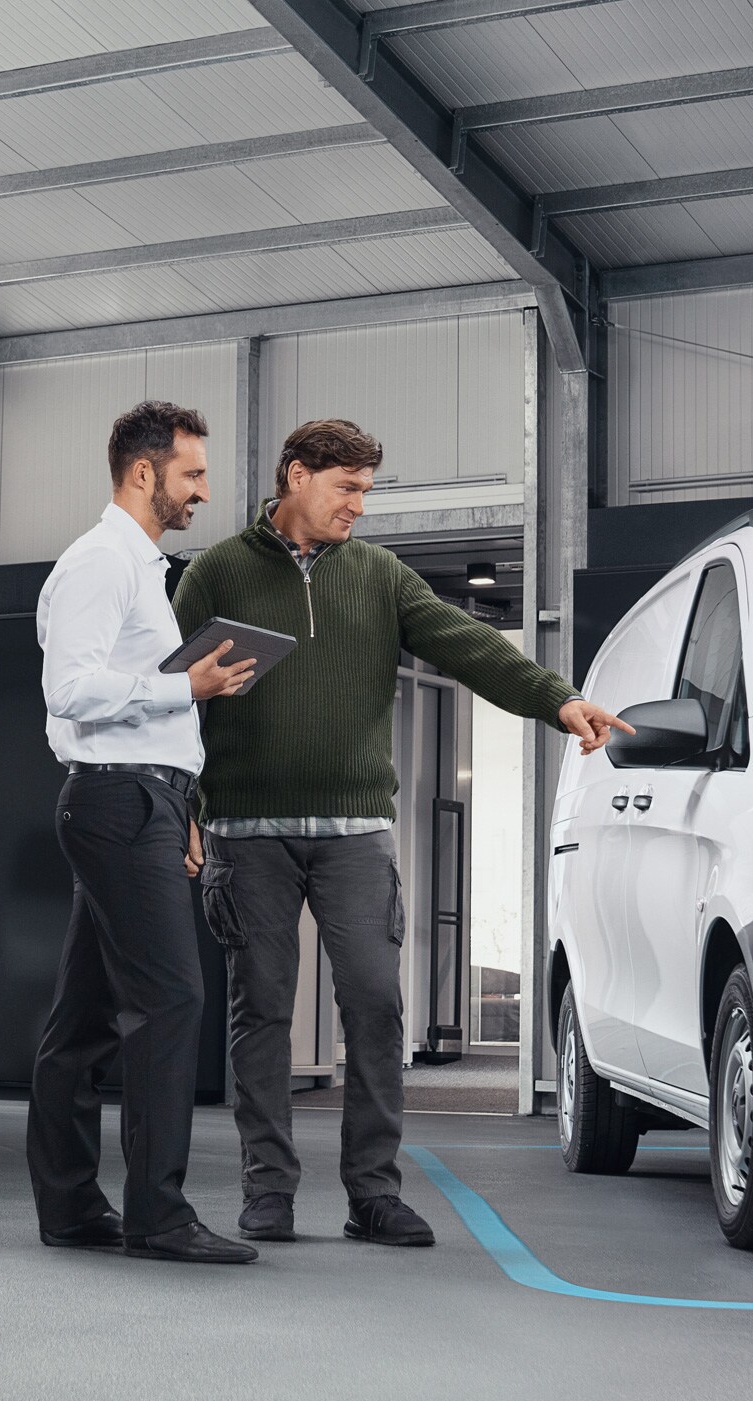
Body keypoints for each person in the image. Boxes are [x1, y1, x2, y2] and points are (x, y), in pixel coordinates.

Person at [171, 418, 630, 1246]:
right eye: (346, 488)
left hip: (355, 836)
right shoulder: (217, 572)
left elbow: (471, 645)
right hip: (246, 834)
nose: (359, 505)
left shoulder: (379, 575)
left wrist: (557, 699)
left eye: (366, 491)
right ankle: (267, 1189)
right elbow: (165, 697)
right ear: (297, 476)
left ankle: (373, 1193)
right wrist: (181, 808)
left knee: (377, 1006)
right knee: (261, 1011)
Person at [26, 401, 262, 1264]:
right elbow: (70, 690)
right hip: (120, 802)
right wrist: (184, 688)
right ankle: (157, 1216)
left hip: (142, 802)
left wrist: (181, 805)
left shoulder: (140, 569)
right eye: (191, 473)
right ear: (142, 472)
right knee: (171, 1000)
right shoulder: (101, 562)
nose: (203, 490)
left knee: (83, 1019)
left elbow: (134, 708)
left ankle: (68, 1207)